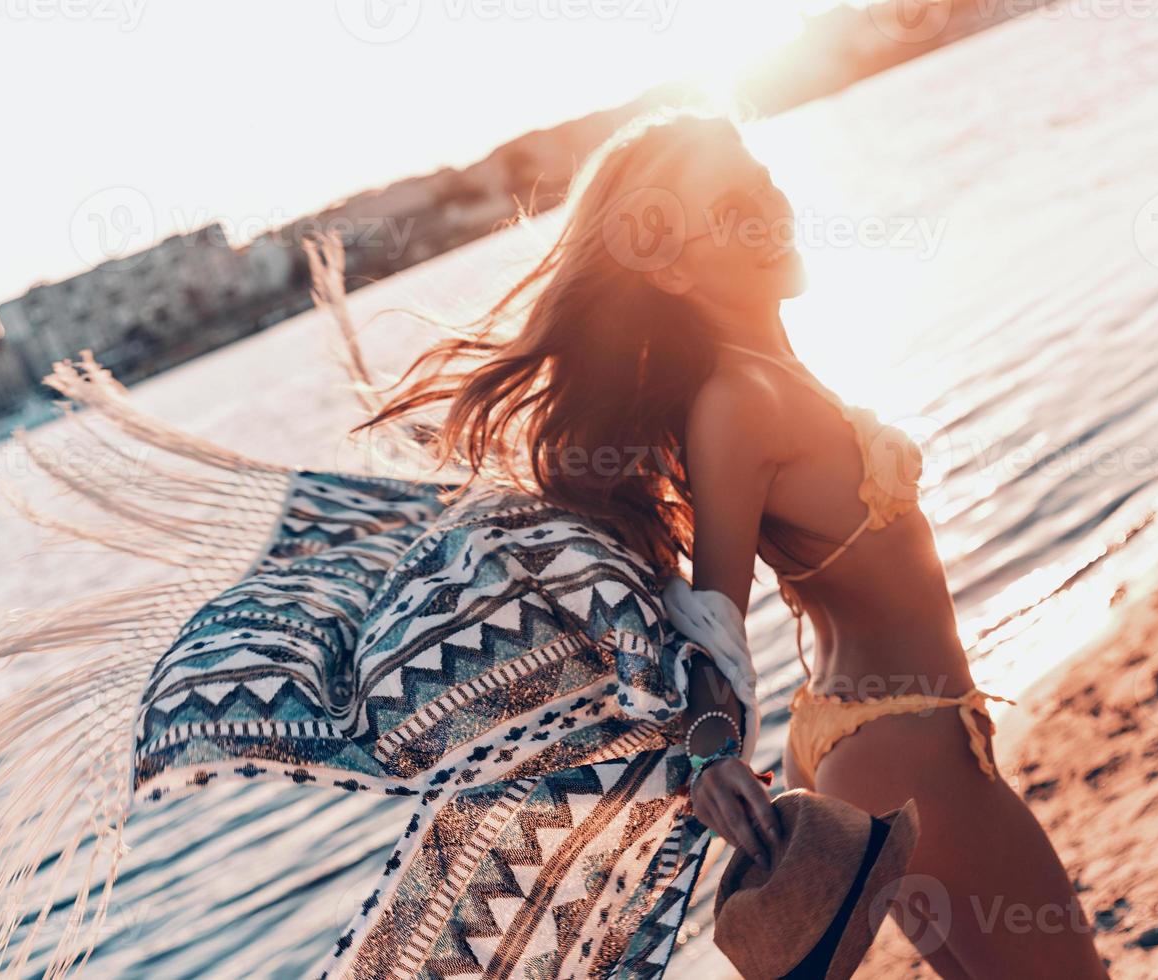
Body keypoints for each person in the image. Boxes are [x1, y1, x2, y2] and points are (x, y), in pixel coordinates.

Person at [359, 107, 1110, 978]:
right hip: (903, 749)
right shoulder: (737, 403)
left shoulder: (770, 365)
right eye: (729, 210)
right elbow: (716, 619)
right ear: (671, 268)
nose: (767, 210)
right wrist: (713, 750)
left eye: (762, 184)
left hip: (891, 735)